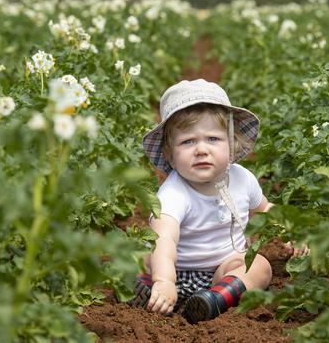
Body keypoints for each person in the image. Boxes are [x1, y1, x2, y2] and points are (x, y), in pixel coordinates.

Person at [128, 79, 309, 324]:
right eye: (187, 141)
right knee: (145, 255)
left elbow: (265, 210)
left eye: (213, 139)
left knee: (259, 266)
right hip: (174, 270)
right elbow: (165, 239)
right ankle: (152, 288)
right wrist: (165, 280)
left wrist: (291, 231)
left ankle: (214, 299)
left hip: (222, 270)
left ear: (231, 144)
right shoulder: (173, 194)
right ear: (169, 154)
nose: (201, 149)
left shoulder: (242, 179)